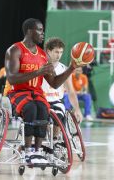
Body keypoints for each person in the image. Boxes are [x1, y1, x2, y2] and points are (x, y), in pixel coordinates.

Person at [5, 18, 79, 165]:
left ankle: (37, 151)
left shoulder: (42, 55)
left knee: (44, 109)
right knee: (31, 108)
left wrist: (71, 68)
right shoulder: (15, 50)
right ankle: (27, 151)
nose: (42, 33)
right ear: (29, 31)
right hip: (18, 92)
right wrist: (38, 72)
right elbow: (12, 78)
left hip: (36, 93)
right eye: (39, 30)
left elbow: (54, 83)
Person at [42, 37, 83, 130]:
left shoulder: (64, 69)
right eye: (56, 52)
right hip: (41, 100)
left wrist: (77, 109)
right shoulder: (41, 65)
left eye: (61, 52)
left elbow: (71, 91)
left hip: (56, 101)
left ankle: (56, 139)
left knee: (59, 116)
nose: (59, 55)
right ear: (48, 51)